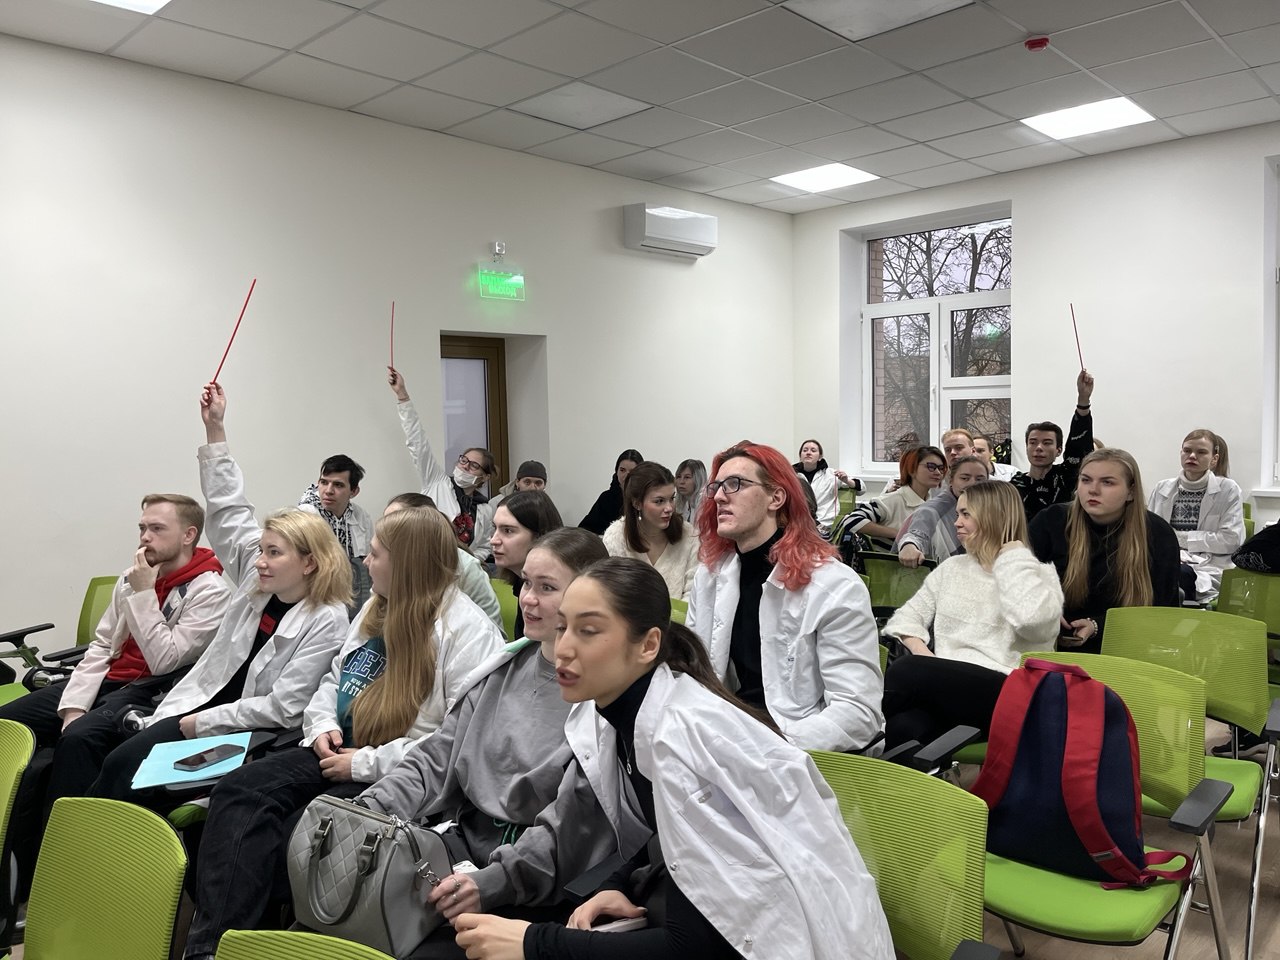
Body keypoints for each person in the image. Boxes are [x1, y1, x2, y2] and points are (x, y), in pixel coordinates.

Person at [453, 557, 894, 960]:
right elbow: (665, 831)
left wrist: (532, 942)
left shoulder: (679, 741)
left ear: (648, 645)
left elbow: (691, 947)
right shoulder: (623, 712)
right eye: (563, 626)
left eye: (588, 631)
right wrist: (616, 882)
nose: (564, 648)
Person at [180, 505, 504, 960]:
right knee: (238, 792)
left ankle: (259, 942)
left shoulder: (467, 632)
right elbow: (334, 678)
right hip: (336, 747)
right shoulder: (377, 606)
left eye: (376, 554)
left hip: (394, 771)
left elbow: (451, 744)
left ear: (406, 563)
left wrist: (364, 763)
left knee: (295, 838)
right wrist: (322, 725)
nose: (365, 563)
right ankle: (212, 949)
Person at [358, 527, 616, 959]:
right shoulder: (502, 670)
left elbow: (569, 829)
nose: (527, 599)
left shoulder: (600, 704)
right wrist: (370, 808)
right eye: (526, 584)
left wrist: (492, 882)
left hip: (532, 883)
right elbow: (435, 759)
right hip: (460, 849)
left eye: (546, 587)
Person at [87, 383, 351, 805]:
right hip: (199, 706)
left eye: (274, 553)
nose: (259, 561)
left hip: (243, 733)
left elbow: (283, 707)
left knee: (126, 773)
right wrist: (215, 430)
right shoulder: (259, 583)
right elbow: (229, 510)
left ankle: (119, 843)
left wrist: (202, 723)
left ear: (309, 563)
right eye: (261, 550)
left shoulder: (327, 618)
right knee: (112, 761)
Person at [0, 494, 230, 889]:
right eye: (142, 528)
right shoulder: (132, 577)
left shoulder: (211, 591)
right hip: (105, 679)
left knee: (79, 741)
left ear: (189, 535)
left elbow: (165, 660)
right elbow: (102, 646)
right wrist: (74, 705)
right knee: (10, 724)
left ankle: (56, 872)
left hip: (151, 690)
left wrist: (143, 594)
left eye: (157, 529)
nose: (145, 537)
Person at [687, 441, 882, 752]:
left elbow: (857, 713)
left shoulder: (834, 585)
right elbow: (695, 676)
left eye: (735, 484)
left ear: (776, 498)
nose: (720, 496)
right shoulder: (710, 576)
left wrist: (768, 746)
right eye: (717, 487)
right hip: (727, 734)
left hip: (800, 747)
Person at [882, 481, 1062, 748]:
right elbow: (906, 618)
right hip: (946, 688)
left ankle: (857, 725)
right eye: (957, 513)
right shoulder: (952, 568)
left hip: (1010, 691)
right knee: (903, 728)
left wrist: (1014, 558)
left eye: (966, 514)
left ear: (995, 517)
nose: (956, 522)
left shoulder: (1037, 575)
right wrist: (927, 659)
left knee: (904, 670)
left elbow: (1031, 622)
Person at [1029, 448, 1180, 654]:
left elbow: (1162, 613)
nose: (1093, 490)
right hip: (1051, 645)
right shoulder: (1051, 521)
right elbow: (1020, 582)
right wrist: (1044, 612)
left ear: (1131, 491)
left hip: (1126, 647)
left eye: (1107, 482)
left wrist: (1098, 625)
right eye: (1086, 480)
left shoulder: (1158, 534)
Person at [388, 366, 496, 548]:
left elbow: (484, 545)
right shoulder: (437, 482)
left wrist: (469, 561)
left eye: (473, 465)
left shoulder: (484, 508)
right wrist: (402, 395)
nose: (465, 466)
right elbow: (418, 443)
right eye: (464, 460)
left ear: (485, 476)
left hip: (464, 565)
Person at [1147, 429, 1245, 603]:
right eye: (1187, 450)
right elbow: (1150, 534)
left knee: (1179, 576)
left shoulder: (1228, 489)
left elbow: (1231, 540)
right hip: (1168, 561)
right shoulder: (1162, 488)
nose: (1192, 456)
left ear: (1214, 459)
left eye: (1201, 452)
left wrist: (1177, 538)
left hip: (1208, 567)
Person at [386, 493, 505, 632]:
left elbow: (495, 633)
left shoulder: (466, 567)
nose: (386, 532)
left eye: (395, 524)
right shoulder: (390, 564)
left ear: (423, 526)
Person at [603, 462, 699, 601]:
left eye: (672, 498)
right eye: (659, 501)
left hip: (680, 615)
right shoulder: (617, 536)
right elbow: (611, 593)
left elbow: (693, 592)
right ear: (637, 503)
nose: (669, 508)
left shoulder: (689, 535)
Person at [1011, 370, 1095, 520]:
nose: (1039, 448)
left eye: (1047, 443)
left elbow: (1078, 448)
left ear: (1058, 450)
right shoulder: (1015, 485)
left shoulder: (1065, 477)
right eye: (1033, 442)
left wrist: (1083, 400)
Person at [298, 454, 374, 616]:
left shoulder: (361, 517)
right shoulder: (305, 516)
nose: (328, 491)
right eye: (324, 482)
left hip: (352, 595)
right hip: (315, 596)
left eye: (338, 485)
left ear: (354, 491)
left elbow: (366, 564)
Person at [492, 491, 565, 639]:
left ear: (539, 536)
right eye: (495, 528)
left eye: (507, 531)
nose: (494, 540)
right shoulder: (520, 585)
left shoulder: (562, 596)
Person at [895, 455, 990, 567]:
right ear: (951, 480)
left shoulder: (988, 506)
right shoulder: (931, 511)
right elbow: (916, 535)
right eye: (965, 478)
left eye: (980, 479)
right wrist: (909, 546)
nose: (972, 484)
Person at [847, 445, 946, 552]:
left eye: (941, 468)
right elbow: (851, 521)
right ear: (912, 469)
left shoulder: (930, 504)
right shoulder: (893, 500)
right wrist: (899, 534)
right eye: (931, 466)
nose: (938, 473)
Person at [474, 460, 550, 562]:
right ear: (517, 482)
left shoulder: (547, 506)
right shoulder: (496, 504)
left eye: (538, 483)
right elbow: (487, 538)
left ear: (544, 485)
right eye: (527, 482)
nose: (532, 487)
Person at [792, 439, 860, 537]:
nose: (808, 453)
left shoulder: (831, 475)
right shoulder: (791, 475)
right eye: (805, 450)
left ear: (820, 456)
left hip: (824, 525)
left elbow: (861, 488)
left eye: (813, 450)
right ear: (800, 455)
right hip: (797, 523)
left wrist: (846, 480)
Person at [578, 449, 642, 536]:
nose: (626, 476)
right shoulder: (606, 498)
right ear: (616, 471)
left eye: (632, 472)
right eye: (622, 470)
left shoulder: (646, 499)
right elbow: (585, 529)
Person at [672, 458, 706, 524]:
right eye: (678, 477)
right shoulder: (680, 502)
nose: (681, 482)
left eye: (687, 477)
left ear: (698, 479)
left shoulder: (705, 504)